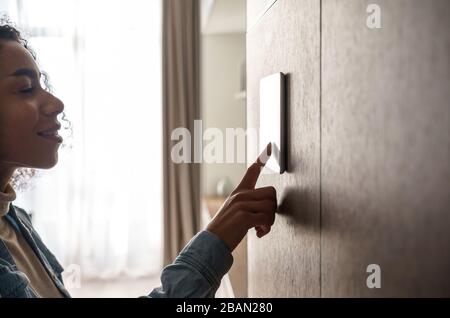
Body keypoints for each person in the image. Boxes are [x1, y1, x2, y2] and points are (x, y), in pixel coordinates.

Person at [0, 22, 277, 298]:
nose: (56, 103)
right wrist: (215, 241)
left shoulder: (14, 219)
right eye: (25, 88)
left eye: (42, 83)